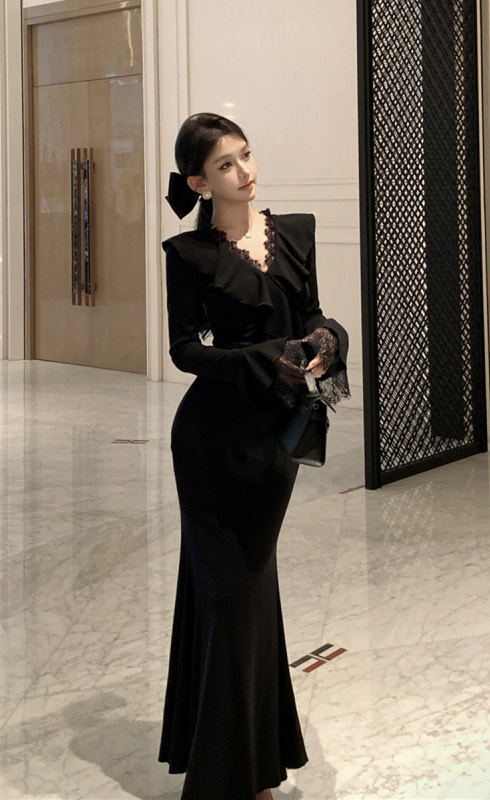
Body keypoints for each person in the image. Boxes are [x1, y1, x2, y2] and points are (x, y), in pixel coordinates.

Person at [159, 112, 350, 800]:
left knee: (247, 589)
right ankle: (236, 778)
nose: (244, 172)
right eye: (225, 165)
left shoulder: (294, 232)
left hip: (276, 437)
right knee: (231, 594)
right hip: (211, 442)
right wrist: (263, 358)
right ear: (198, 183)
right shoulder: (188, 254)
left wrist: (327, 339)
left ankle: (245, 756)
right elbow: (185, 351)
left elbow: (313, 313)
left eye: (245, 156)